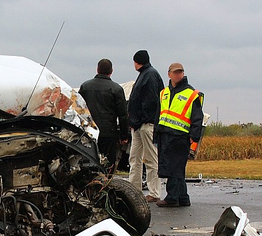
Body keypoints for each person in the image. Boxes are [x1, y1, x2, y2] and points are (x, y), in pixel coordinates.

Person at [155, 63, 204, 207]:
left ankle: (172, 198)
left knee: (174, 167)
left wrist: (194, 137)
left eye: (181, 72)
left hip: (180, 136)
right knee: (174, 167)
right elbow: (158, 114)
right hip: (165, 134)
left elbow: (197, 117)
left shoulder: (191, 94)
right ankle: (183, 198)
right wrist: (156, 134)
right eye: (176, 72)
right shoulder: (164, 93)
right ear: (169, 74)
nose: (178, 75)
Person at [79, 59, 130, 173]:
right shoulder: (116, 89)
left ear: (97, 69)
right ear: (111, 71)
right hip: (108, 132)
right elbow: (122, 115)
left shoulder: (85, 86)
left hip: (88, 131)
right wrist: (124, 135)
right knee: (107, 164)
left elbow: (79, 110)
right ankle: (105, 187)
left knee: (88, 163)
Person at [128, 50, 163, 202]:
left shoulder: (148, 75)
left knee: (150, 158)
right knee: (134, 158)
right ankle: (134, 189)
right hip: (139, 125)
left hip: (145, 124)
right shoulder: (147, 74)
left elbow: (149, 101)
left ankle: (154, 192)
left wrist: (140, 119)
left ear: (137, 62)